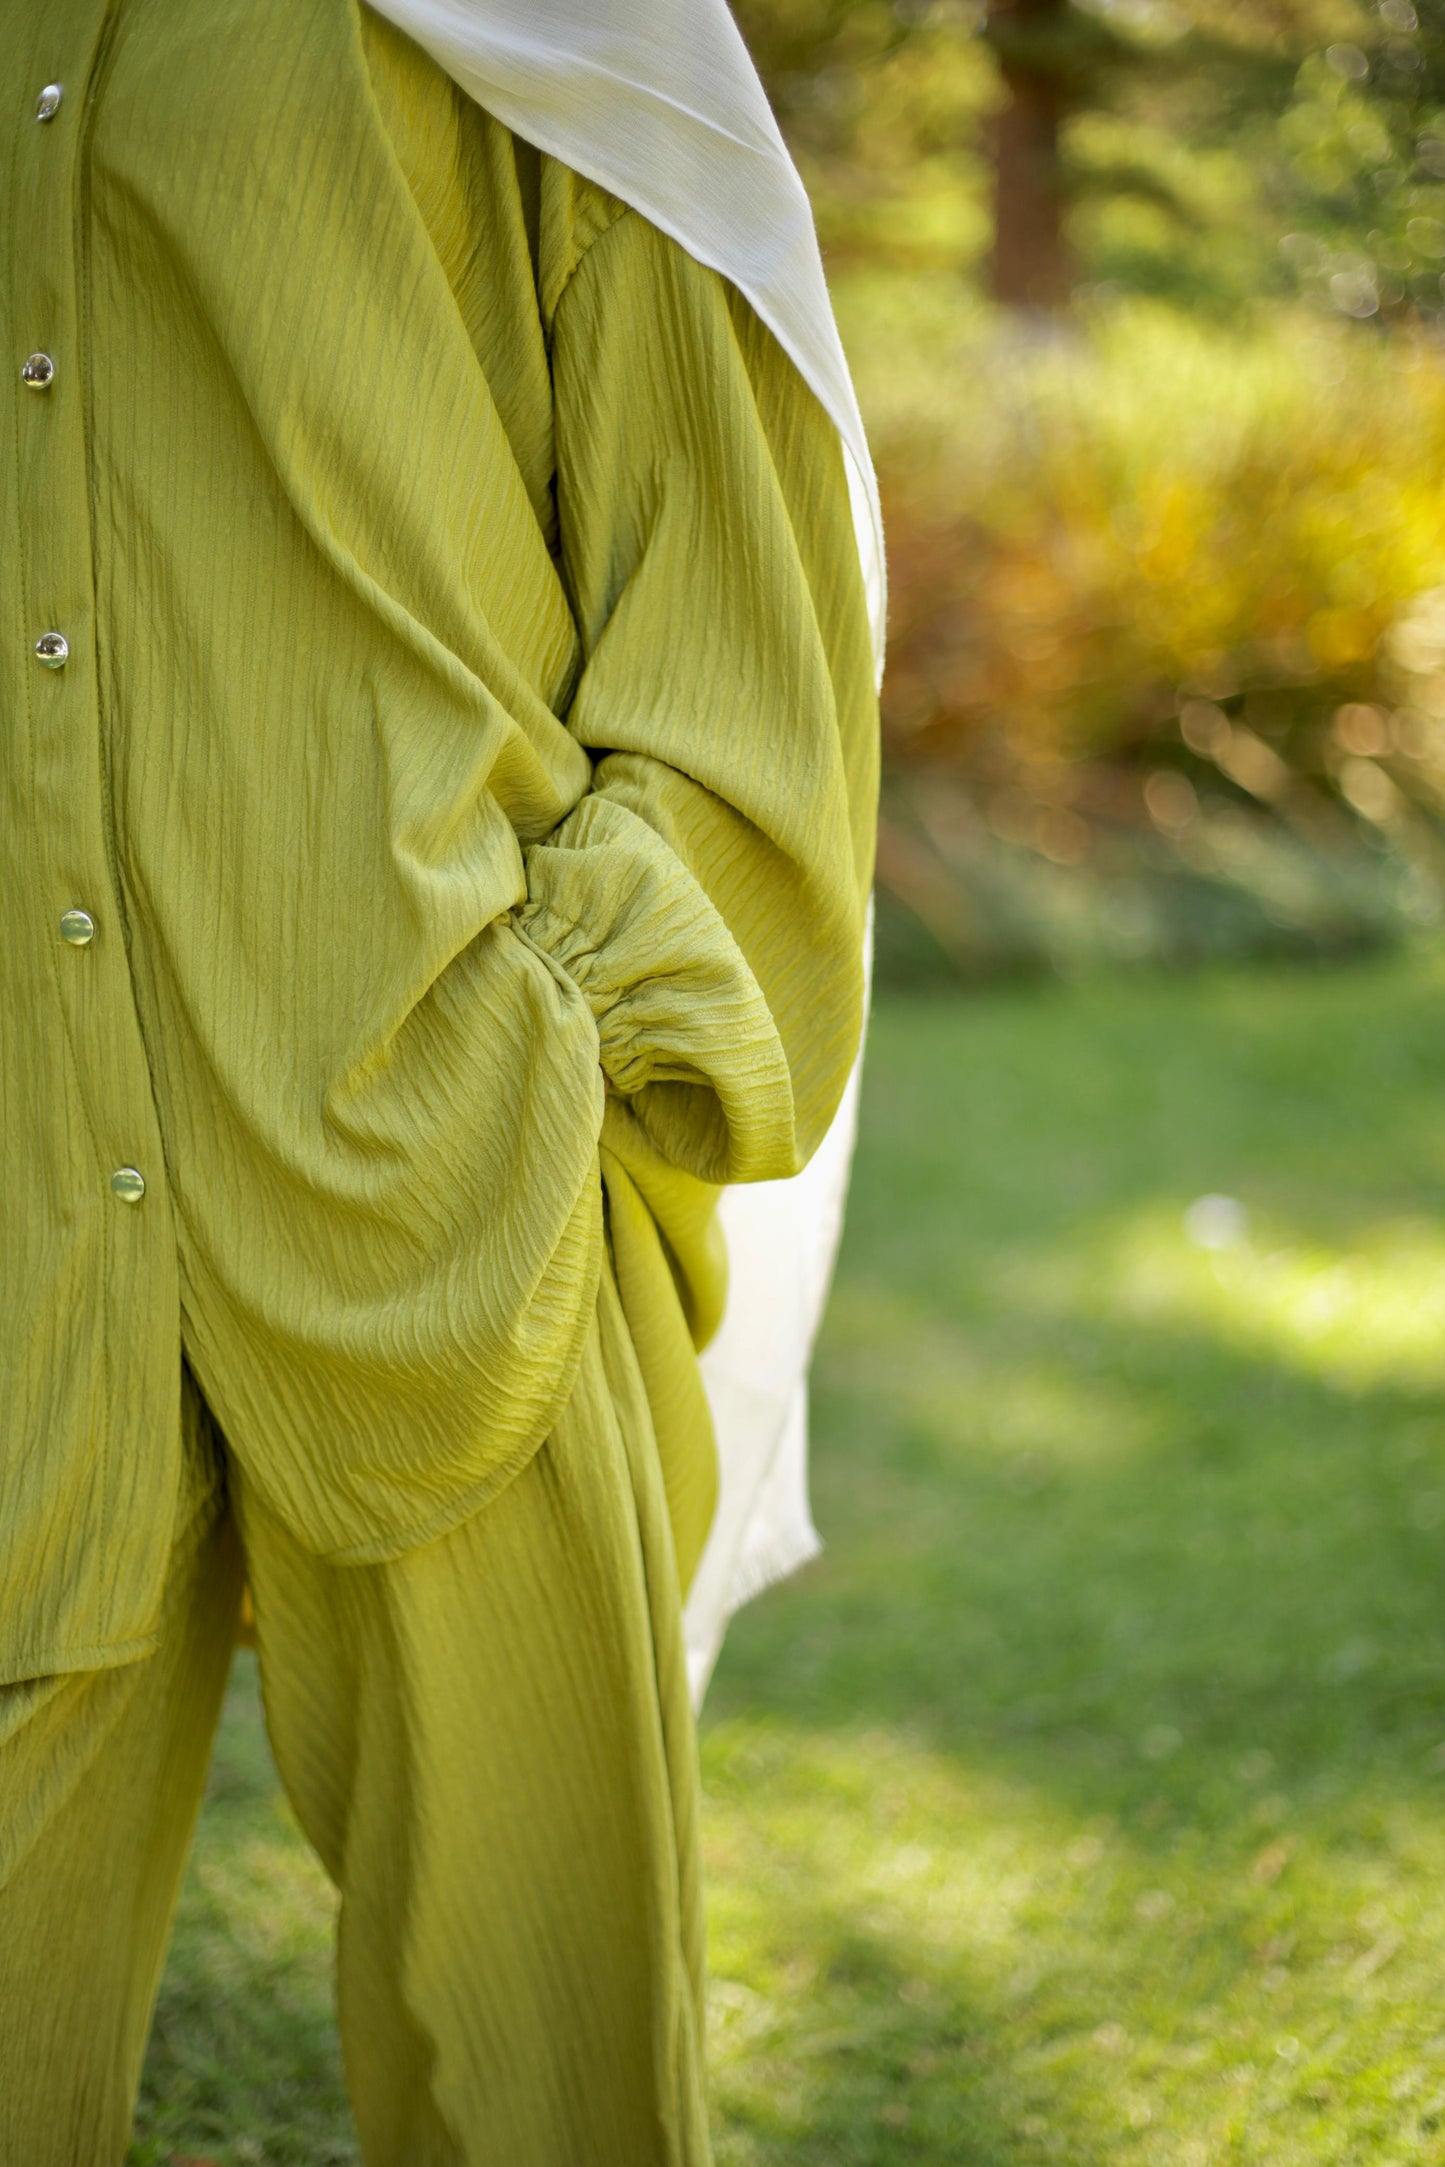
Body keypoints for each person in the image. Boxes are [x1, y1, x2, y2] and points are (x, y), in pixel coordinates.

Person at [0, 0, 881, 2159]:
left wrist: (547, 1014)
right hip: (19, 1137)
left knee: (539, 2060)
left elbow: (730, 580)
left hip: (437, 1134)